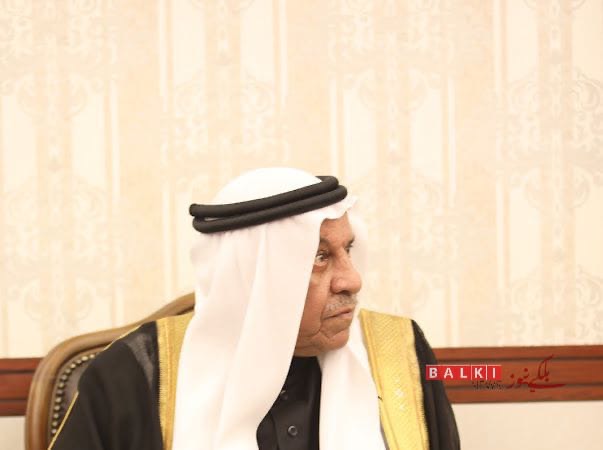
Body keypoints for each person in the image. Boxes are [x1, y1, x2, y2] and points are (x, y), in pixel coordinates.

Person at [49, 168, 460, 450]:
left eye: (347, 250)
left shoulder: (400, 351)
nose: (352, 280)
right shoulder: (133, 374)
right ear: (253, 276)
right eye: (320, 257)